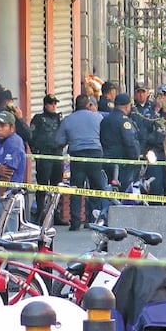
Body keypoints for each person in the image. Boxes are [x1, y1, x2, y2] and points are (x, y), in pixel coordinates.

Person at [55, 94, 108, 230]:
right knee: (96, 188)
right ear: (87, 105)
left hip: (77, 155)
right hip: (95, 155)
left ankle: (75, 222)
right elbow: (104, 136)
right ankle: (93, 220)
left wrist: (71, 140)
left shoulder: (68, 120)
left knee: (76, 188)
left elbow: (59, 141)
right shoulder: (98, 117)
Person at [0, 111, 28, 232]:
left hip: (7, 197)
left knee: (7, 235)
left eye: (2, 126)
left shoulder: (14, 142)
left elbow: (6, 174)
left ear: (12, 128)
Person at [29, 94, 64, 223]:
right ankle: (40, 214)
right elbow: (31, 136)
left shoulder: (59, 119)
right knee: (43, 186)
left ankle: (56, 214)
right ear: (45, 105)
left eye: (55, 103)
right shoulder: (38, 119)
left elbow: (64, 134)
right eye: (51, 103)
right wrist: (36, 153)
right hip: (44, 156)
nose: (54, 106)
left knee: (57, 187)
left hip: (57, 155)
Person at [100, 93, 141, 192]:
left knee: (109, 189)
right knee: (125, 191)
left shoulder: (105, 119)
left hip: (107, 161)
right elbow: (130, 141)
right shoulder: (124, 121)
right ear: (127, 106)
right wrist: (136, 158)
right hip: (122, 163)